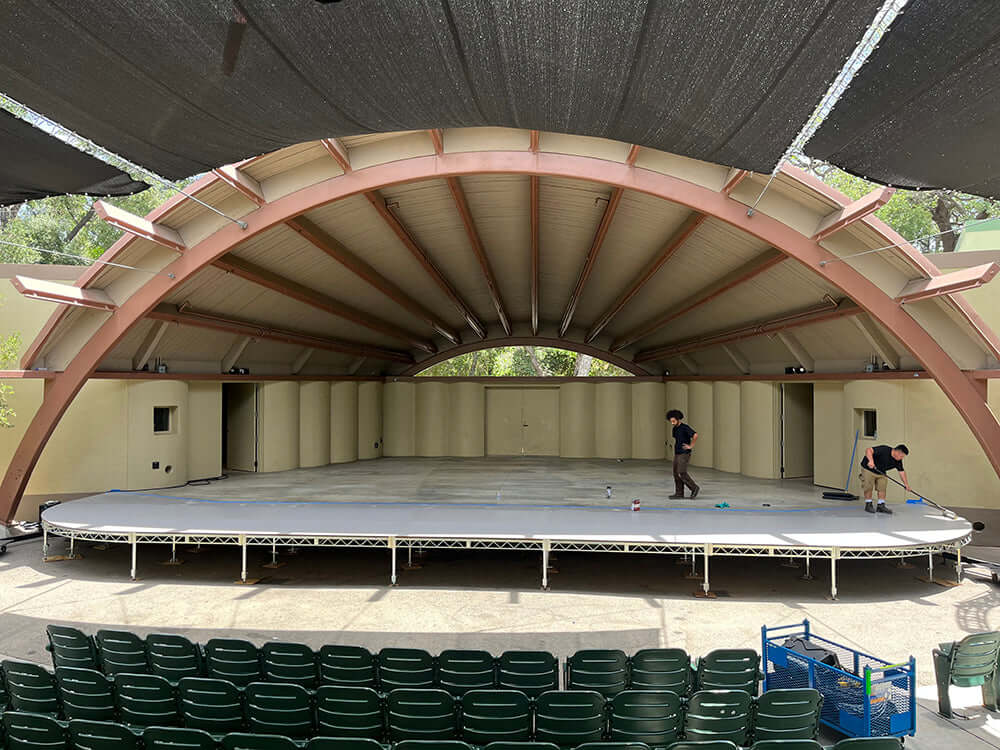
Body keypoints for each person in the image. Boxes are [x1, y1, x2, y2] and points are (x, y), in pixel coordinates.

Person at [860, 443, 910, 515]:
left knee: (882, 487)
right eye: (902, 456)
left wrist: (906, 484)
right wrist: (871, 461)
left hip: (881, 471)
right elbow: (869, 450)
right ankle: (868, 504)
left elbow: (901, 472)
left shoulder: (898, 461)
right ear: (898, 452)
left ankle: (881, 505)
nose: (902, 458)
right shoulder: (884, 449)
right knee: (868, 486)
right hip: (869, 468)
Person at [666, 409, 699, 499]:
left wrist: (691, 446)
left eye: (673, 421)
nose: (672, 423)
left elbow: (695, 435)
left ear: (678, 419)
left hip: (684, 453)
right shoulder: (675, 429)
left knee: (681, 472)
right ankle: (679, 493)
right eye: (671, 421)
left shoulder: (685, 427)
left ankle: (694, 488)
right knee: (676, 473)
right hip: (677, 453)